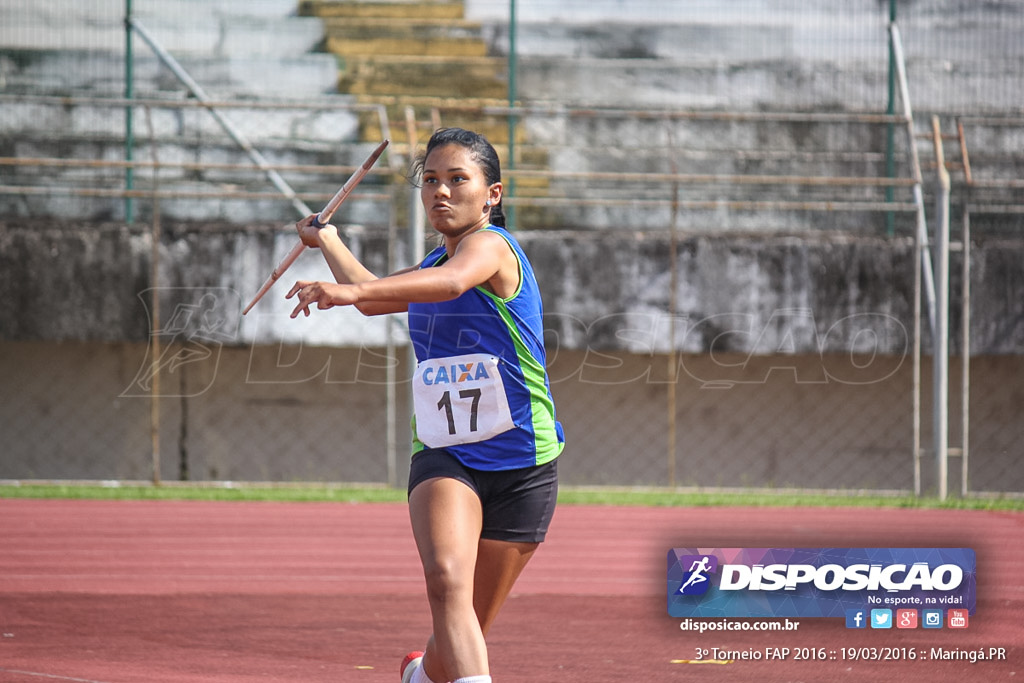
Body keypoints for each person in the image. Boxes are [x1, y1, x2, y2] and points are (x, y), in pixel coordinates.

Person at [286, 128, 564, 683]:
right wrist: (330, 241)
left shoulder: (492, 248)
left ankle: (421, 676)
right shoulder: (433, 262)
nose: (441, 192)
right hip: (447, 453)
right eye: (431, 180)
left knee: (463, 629)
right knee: (445, 581)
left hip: (524, 461)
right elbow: (374, 295)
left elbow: (454, 283)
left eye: (458, 180)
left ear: (493, 194)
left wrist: (353, 293)